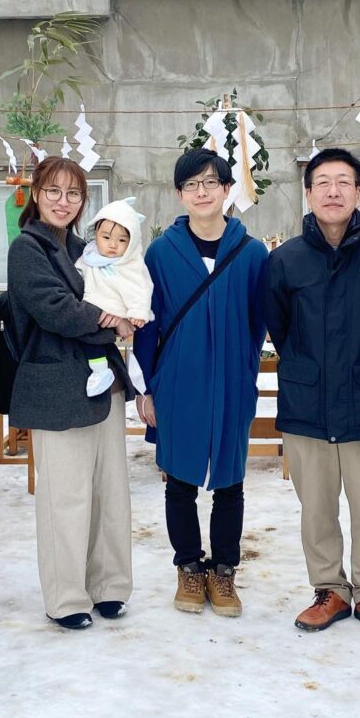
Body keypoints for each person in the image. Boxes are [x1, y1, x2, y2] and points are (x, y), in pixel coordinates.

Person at [265, 148, 360, 637]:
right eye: (321, 182)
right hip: (307, 405)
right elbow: (280, 329)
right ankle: (329, 589)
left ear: (358, 192)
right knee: (317, 508)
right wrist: (309, 369)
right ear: (308, 193)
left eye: (343, 182)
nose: (332, 191)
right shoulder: (285, 260)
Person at [133, 148, 268, 617]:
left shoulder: (251, 254)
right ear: (179, 194)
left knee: (230, 480)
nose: (202, 192)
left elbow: (259, 320)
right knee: (181, 479)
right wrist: (147, 387)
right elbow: (148, 324)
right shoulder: (161, 252)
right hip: (178, 381)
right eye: (192, 185)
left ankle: (224, 572)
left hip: (232, 380)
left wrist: (246, 370)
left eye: (212, 183)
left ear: (228, 190)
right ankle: (189, 568)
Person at [7, 157, 137, 630]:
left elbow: (118, 292)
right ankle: (66, 598)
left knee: (109, 493)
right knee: (66, 497)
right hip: (56, 387)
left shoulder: (88, 248)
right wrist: (112, 321)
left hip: (104, 384)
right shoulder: (27, 249)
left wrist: (123, 312)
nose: (64, 202)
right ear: (37, 194)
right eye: (54, 191)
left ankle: (109, 587)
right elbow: (57, 310)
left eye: (74, 194)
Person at [75, 199, 154, 396]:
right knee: (88, 339)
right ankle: (101, 372)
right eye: (106, 237)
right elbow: (78, 273)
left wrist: (137, 312)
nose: (113, 245)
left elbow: (141, 288)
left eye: (122, 240)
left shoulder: (130, 263)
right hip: (91, 309)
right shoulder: (90, 255)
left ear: (132, 241)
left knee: (93, 341)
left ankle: (100, 372)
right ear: (96, 234)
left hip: (114, 310)